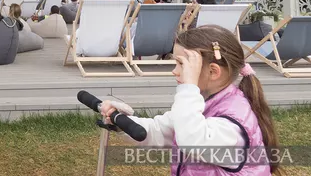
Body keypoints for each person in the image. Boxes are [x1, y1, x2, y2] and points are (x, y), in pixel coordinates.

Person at [99, 26, 278, 175]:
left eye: (182, 65)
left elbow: (192, 140)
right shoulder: (202, 104)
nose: (174, 71)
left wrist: (188, 87)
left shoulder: (232, 124)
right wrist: (123, 122)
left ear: (213, 72)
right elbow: (159, 130)